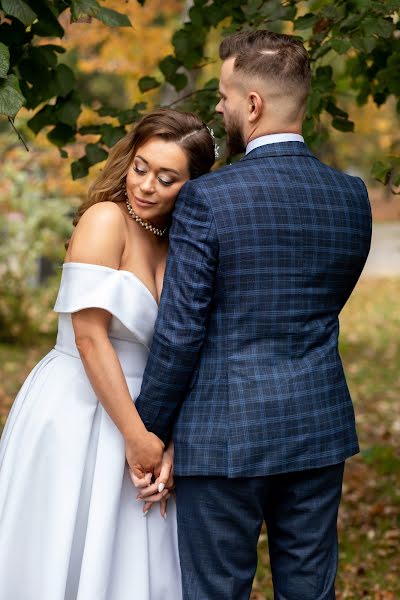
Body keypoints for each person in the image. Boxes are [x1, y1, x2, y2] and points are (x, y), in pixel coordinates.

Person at [134, 31, 372, 599]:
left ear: (254, 105)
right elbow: (324, 300)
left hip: (222, 437)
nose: (219, 107)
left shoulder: (206, 199)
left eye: (224, 95)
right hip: (317, 429)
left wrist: (149, 430)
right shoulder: (351, 196)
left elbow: (181, 331)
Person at [0, 108, 215, 600]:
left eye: (167, 178)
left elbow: (188, 349)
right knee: (66, 548)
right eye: (141, 168)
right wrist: (136, 436)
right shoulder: (105, 219)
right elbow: (90, 337)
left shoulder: (182, 243)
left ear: (193, 184)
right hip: (82, 404)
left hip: (152, 415)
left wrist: (166, 441)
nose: (146, 186)